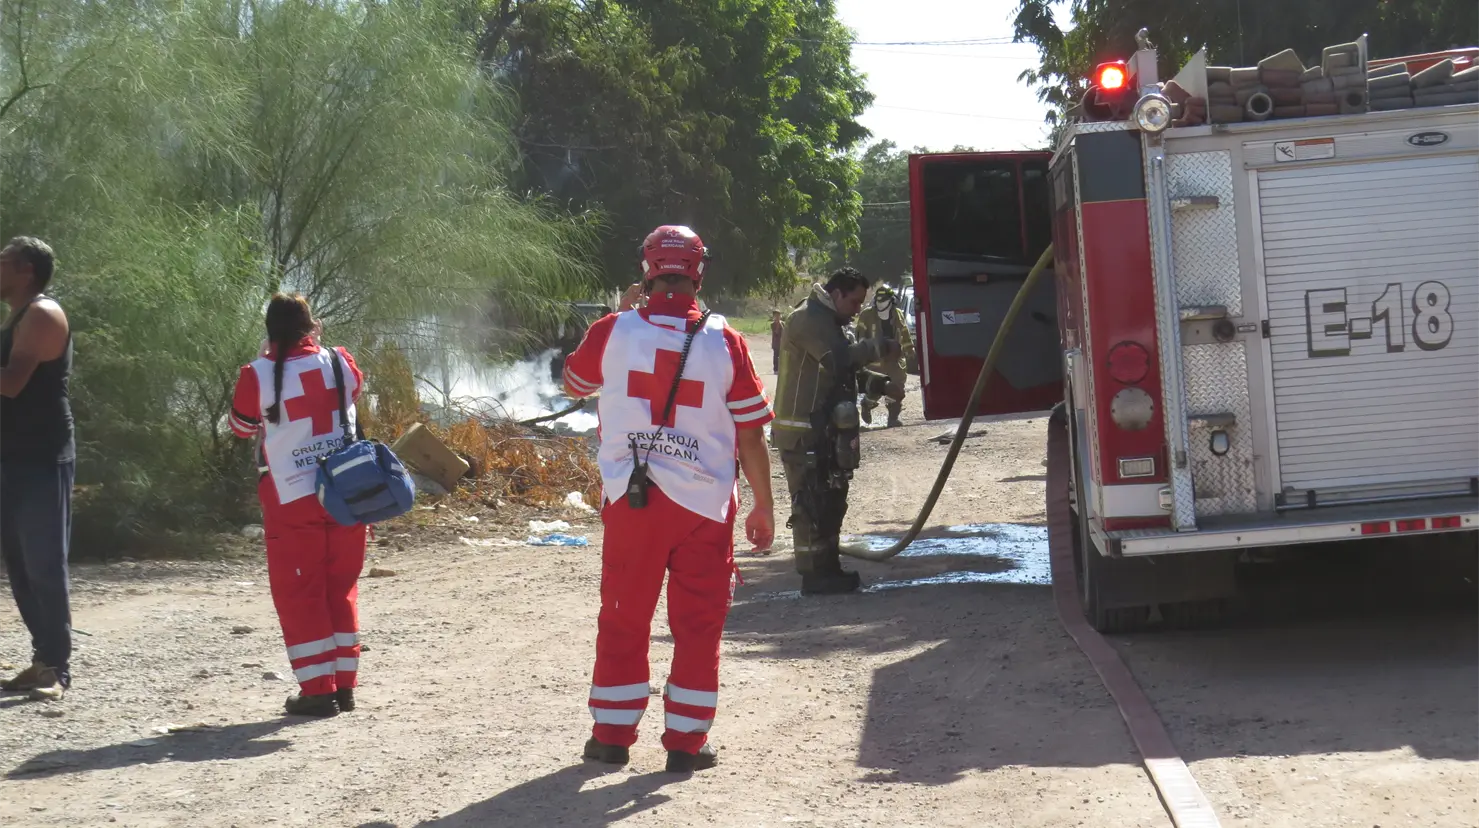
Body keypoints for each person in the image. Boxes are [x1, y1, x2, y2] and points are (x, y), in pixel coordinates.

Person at [562, 225, 775, 773]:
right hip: (704, 506)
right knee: (698, 625)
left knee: (623, 617)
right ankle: (685, 744)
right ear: (699, 271)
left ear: (646, 268)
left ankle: (610, 737)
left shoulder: (613, 330)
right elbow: (750, 432)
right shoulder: (725, 340)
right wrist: (764, 505)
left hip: (632, 501)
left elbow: (574, 384)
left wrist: (621, 313)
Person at [229, 294, 367, 718]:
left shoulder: (257, 374)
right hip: (345, 494)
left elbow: (240, 428)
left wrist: (264, 360)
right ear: (312, 326)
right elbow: (354, 392)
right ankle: (344, 687)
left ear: (270, 331)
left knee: (300, 593)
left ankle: (316, 690)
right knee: (340, 588)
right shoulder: (341, 361)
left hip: (293, 499)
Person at [770, 268, 901, 595]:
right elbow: (838, 359)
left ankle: (829, 567)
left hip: (825, 430)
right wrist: (880, 346)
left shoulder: (834, 324)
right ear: (838, 294)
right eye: (855, 301)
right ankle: (814, 577)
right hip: (803, 432)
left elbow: (847, 373)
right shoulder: (807, 320)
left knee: (832, 498)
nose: (858, 309)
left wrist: (879, 383)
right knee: (811, 503)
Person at [0, 237, 75, 702]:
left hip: (42, 455)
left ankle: (57, 669)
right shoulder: (18, 315)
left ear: (25, 269)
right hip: (12, 454)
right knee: (21, 566)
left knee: (44, 563)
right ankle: (43, 657)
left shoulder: (43, 315)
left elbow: (10, 384)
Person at [853, 285, 915, 428]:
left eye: (885, 300)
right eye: (879, 301)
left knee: (897, 389)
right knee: (874, 390)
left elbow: (904, 333)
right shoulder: (866, 315)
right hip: (875, 362)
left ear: (891, 300)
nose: (881, 303)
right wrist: (864, 352)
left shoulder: (897, 314)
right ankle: (867, 405)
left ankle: (892, 419)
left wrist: (909, 349)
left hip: (895, 362)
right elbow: (860, 336)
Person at [769, 309, 784, 374]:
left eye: (778, 315)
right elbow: (776, 332)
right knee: (775, 356)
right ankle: (775, 369)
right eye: (776, 315)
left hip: (782, 343)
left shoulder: (783, 323)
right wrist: (778, 323)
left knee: (782, 357)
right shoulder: (773, 324)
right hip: (776, 343)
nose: (777, 317)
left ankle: (781, 369)